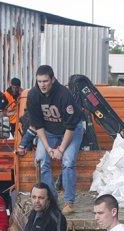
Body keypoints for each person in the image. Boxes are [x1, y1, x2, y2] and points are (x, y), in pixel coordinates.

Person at [28, 64, 85, 216]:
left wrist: (60, 149)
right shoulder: (33, 95)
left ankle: (68, 201)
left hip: (71, 129)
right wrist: (48, 148)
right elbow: (38, 125)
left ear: (52, 79)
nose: (42, 85)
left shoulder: (63, 94)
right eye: (39, 81)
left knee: (67, 161)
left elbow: (71, 125)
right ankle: (51, 199)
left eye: (45, 81)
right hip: (49, 131)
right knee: (42, 160)